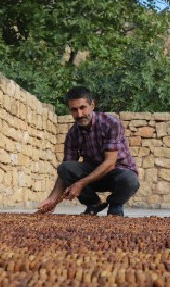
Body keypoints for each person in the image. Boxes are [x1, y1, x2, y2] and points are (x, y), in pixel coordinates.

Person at [37, 86, 139, 216]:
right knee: (65, 168)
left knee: (130, 180)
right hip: (94, 176)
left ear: (92, 105)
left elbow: (110, 163)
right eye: (74, 110)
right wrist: (53, 199)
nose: (79, 115)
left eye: (82, 108)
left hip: (117, 172)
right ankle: (94, 203)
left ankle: (116, 204)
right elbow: (65, 171)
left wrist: (80, 184)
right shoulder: (73, 134)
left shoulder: (111, 123)